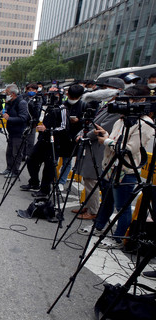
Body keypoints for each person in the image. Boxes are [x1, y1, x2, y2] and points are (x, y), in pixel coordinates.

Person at [87, 85, 155, 250]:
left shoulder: (145, 123)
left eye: (129, 98)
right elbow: (116, 140)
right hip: (110, 167)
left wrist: (107, 142)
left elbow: (129, 149)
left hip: (126, 170)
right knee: (107, 201)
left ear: (140, 100)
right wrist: (106, 136)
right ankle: (99, 227)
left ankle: (117, 237)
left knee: (122, 207)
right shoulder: (121, 119)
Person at [72, 78, 123, 220]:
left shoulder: (117, 108)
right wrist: (82, 133)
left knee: (92, 178)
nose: (102, 91)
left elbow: (103, 128)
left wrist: (86, 136)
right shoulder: (106, 105)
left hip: (99, 147)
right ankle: (88, 206)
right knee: (87, 178)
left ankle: (93, 211)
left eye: (106, 88)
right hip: (91, 146)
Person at [20, 87, 67, 197]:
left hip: (53, 142)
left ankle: (44, 190)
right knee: (31, 160)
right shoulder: (48, 108)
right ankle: (34, 182)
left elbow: (64, 127)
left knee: (49, 167)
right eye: (49, 95)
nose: (51, 98)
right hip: (42, 140)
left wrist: (48, 130)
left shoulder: (62, 109)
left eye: (54, 95)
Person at [55, 85, 86, 191]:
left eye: (75, 97)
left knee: (67, 162)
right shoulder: (62, 103)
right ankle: (52, 178)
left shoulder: (83, 105)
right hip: (59, 136)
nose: (72, 99)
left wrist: (79, 121)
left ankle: (61, 181)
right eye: (71, 96)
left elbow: (88, 121)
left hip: (73, 138)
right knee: (53, 159)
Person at [0, 84, 30, 177]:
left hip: (19, 132)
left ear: (12, 94)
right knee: (9, 152)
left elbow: (23, 118)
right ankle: (9, 168)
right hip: (11, 131)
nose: (6, 95)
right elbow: (7, 112)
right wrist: (3, 112)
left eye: (7, 93)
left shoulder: (21, 103)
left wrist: (9, 118)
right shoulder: (10, 102)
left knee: (16, 153)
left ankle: (15, 171)